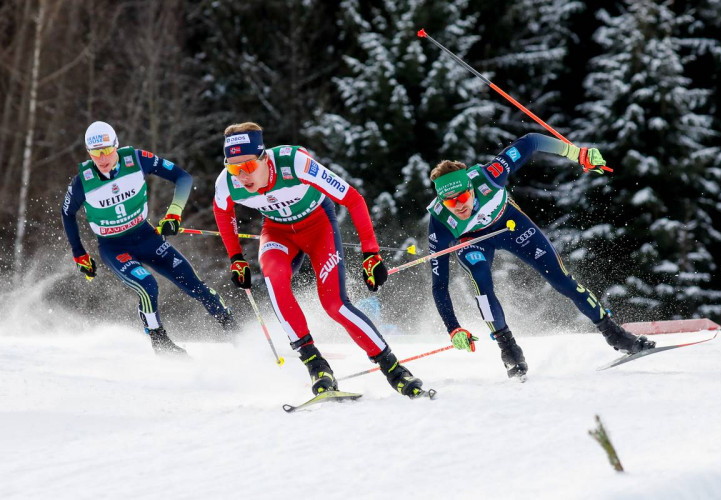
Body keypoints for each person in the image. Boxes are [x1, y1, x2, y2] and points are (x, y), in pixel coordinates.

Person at [212, 121, 425, 398]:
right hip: (277, 232)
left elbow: (354, 200)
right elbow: (222, 212)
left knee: (334, 304)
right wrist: (236, 258)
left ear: (264, 157)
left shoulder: (295, 164)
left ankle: (394, 369)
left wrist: (371, 254)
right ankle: (316, 365)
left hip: (318, 226)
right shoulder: (226, 183)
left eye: (249, 166)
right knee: (274, 278)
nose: (242, 176)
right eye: (234, 167)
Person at [427, 133, 655, 378]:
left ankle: (615, 334)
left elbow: (532, 141)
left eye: (462, 197)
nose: (459, 206)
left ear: (471, 188)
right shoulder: (439, 223)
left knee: (561, 280)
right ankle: (510, 351)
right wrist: (453, 329)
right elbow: (439, 285)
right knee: (481, 279)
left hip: (510, 224)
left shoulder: (490, 175)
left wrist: (577, 154)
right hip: (472, 242)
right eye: (450, 203)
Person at [61, 121, 235, 356]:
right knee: (147, 285)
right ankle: (160, 342)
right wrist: (79, 253)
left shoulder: (137, 159)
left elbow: (183, 177)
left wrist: (174, 212)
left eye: (107, 151)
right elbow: (67, 213)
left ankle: (234, 330)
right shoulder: (83, 181)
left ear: (116, 146)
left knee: (195, 286)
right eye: (95, 153)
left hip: (147, 237)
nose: (102, 159)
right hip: (114, 247)